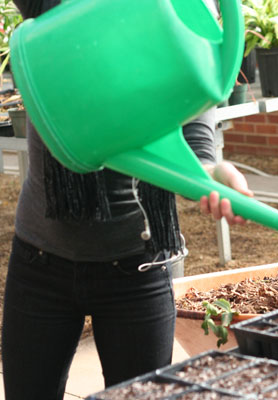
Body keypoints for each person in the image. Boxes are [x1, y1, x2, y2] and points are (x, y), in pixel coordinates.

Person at [2, 1, 252, 398]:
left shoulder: (175, 26)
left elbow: (196, 122)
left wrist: (210, 172)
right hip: (40, 264)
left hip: (138, 266)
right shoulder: (57, 9)